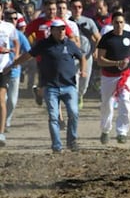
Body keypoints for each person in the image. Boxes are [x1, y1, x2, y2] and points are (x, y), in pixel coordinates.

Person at [5, 19, 86, 152]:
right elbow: (29, 55)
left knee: (74, 113)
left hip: (69, 85)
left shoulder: (70, 44)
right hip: (51, 86)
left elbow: (81, 56)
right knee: (53, 117)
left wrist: (83, 70)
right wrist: (14, 64)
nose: (61, 31)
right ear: (52, 31)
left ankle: (72, 141)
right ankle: (57, 146)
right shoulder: (43, 44)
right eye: (58, 29)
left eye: (63, 29)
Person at [96, 12, 130, 144]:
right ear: (112, 23)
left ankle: (122, 132)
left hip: (125, 75)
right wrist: (116, 63)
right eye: (116, 22)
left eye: (121, 22)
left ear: (124, 23)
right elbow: (100, 60)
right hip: (109, 76)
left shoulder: (129, 36)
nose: (119, 25)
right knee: (107, 105)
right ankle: (105, 130)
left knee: (125, 102)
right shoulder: (106, 39)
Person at [69, 0, 101, 108]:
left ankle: (80, 95)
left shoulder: (89, 21)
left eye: (79, 7)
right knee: (74, 81)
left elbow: (98, 38)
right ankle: (74, 101)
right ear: (70, 8)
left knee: (84, 82)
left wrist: (96, 50)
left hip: (87, 55)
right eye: (74, 7)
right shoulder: (68, 22)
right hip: (72, 56)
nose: (77, 9)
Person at [4, 9, 31, 131]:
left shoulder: (20, 35)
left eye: (15, 19)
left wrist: (18, 61)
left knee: (12, 101)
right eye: (10, 18)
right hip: (1, 71)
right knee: (2, 99)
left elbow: (29, 52)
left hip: (14, 72)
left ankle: (7, 120)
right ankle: (2, 123)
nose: (13, 21)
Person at [0, 3, 19, 147]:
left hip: (3, 68)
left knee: (2, 100)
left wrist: (15, 59)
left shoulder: (8, 27)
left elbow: (16, 42)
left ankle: (1, 133)